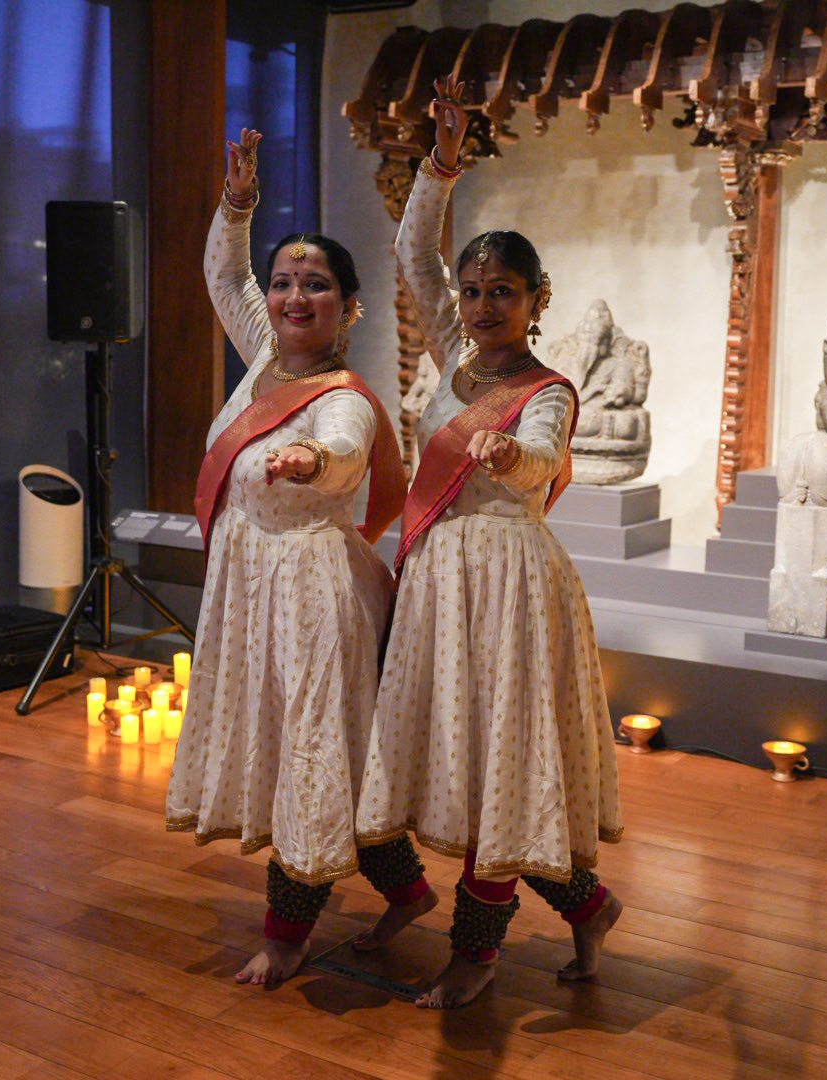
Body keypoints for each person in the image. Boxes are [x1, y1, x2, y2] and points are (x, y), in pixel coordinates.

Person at [354, 79, 624, 1009]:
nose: (477, 305)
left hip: (510, 581)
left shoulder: (545, 388)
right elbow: (406, 251)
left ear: (537, 299)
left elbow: (542, 456)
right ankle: (587, 907)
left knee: (504, 767)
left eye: (500, 293)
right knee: (467, 766)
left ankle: (477, 954)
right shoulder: (455, 358)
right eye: (469, 291)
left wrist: (511, 454)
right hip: (440, 578)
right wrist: (441, 160)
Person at [167, 128, 436, 987]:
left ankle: (287, 935)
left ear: (349, 309)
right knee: (315, 752)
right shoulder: (261, 368)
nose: (292, 296)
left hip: (312, 592)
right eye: (283, 282)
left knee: (312, 754)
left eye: (315, 285)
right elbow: (221, 276)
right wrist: (236, 202)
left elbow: (348, 451)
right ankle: (409, 892)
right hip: (251, 588)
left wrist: (310, 461)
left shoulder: (343, 399)